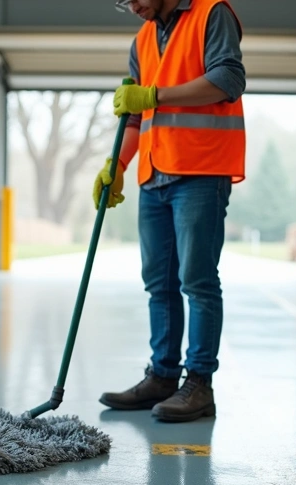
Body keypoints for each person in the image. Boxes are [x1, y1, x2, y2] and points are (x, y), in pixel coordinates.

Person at [95, 0, 246, 423]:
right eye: (123, 2)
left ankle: (198, 385)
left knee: (196, 281)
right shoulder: (142, 40)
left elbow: (228, 79)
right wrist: (117, 165)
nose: (133, 7)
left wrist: (154, 95)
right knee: (158, 283)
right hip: (154, 174)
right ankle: (162, 376)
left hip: (201, 170)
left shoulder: (210, 14)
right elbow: (135, 118)